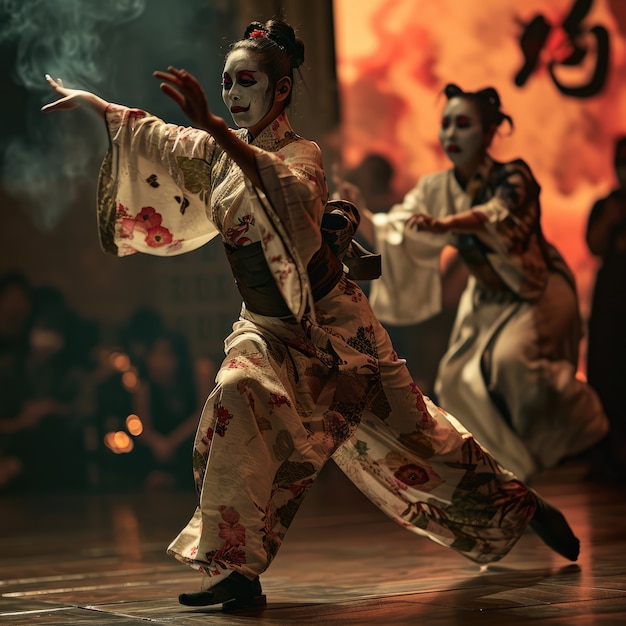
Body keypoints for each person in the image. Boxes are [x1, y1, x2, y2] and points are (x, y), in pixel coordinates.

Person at [43, 22, 581, 612]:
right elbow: (167, 138)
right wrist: (100, 108)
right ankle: (236, 571)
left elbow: (287, 193)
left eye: (246, 82)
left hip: (335, 334)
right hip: (266, 329)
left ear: (280, 91)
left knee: (424, 443)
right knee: (235, 398)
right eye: (225, 84)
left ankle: (520, 503)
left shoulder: (300, 156)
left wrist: (219, 130)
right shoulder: (222, 152)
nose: (232, 94)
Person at [346, 83, 608, 483]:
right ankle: (508, 472)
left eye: (463, 124)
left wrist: (446, 224)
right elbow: (399, 231)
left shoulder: (514, 176)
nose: (451, 134)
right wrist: (359, 210)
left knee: (512, 364)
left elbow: (497, 213)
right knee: (456, 381)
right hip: (486, 298)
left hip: (534, 292)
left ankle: (595, 433)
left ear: (488, 133)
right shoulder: (437, 188)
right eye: (447, 124)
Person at [585, 135, 626, 481]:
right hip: (611, 300)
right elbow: (595, 246)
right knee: (607, 373)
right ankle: (608, 456)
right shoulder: (607, 205)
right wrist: (611, 218)